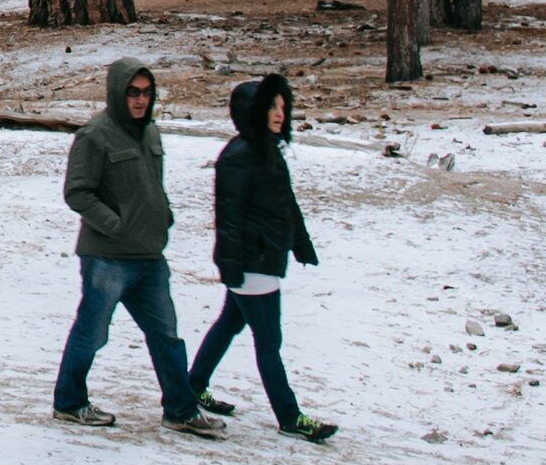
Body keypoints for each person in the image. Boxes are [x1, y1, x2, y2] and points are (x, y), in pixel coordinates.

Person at [53, 57, 222, 436]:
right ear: (118, 92)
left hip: (149, 257)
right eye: (133, 92)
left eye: (146, 92)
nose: (140, 100)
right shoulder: (94, 136)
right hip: (107, 258)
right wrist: (116, 225)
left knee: (167, 336)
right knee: (92, 332)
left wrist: (163, 215)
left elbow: (152, 186)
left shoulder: (151, 133)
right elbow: (77, 192)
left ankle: (180, 409)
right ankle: (69, 402)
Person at [189, 74, 338, 442]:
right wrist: (230, 265)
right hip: (252, 264)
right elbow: (228, 217)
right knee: (269, 342)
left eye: (283, 107)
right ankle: (290, 417)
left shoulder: (266, 151)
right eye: (272, 106)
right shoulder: (239, 156)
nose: (279, 114)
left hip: (262, 259)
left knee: (229, 323)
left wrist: (301, 244)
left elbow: (287, 204)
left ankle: (192, 386)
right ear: (252, 111)